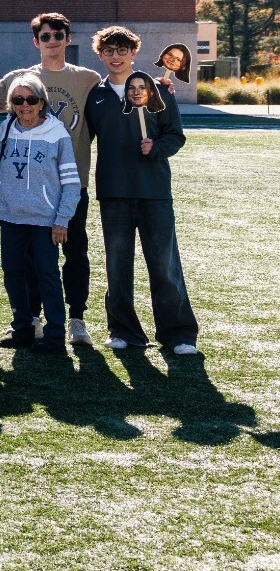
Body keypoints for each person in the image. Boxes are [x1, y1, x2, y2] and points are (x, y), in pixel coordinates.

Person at [0, 12, 103, 345]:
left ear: (68, 39)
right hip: (25, 198)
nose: (51, 40)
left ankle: (75, 319)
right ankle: (32, 321)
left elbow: (121, 95)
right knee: (29, 261)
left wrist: (159, 86)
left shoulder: (87, 78)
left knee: (74, 254)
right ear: (35, 41)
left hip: (71, 184)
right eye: (45, 36)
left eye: (58, 35)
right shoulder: (20, 78)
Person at [87, 26, 199, 354]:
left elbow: (175, 135)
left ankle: (178, 334)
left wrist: (157, 148)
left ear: (133, 53)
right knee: (117, 264)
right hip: (113, 191)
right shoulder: (97, 94)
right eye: (109, 51)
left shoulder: (157, 90)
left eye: (122, 50)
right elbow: (85, 139)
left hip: (154, 192)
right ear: (101, 55)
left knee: (164, 264)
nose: (116, 56)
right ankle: (124, 330)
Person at [0, 73, 82, 354]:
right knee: (13, 273)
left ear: (42, 102)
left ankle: (55, 335)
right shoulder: (5, 129)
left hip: (45, 218)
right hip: (11, 216)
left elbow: (71, 181)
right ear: (11, 104)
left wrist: (62, 219)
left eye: (31, 99)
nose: (25, 105)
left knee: (47, 274)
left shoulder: (57, 134)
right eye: (18, 100)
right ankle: (23, 328)